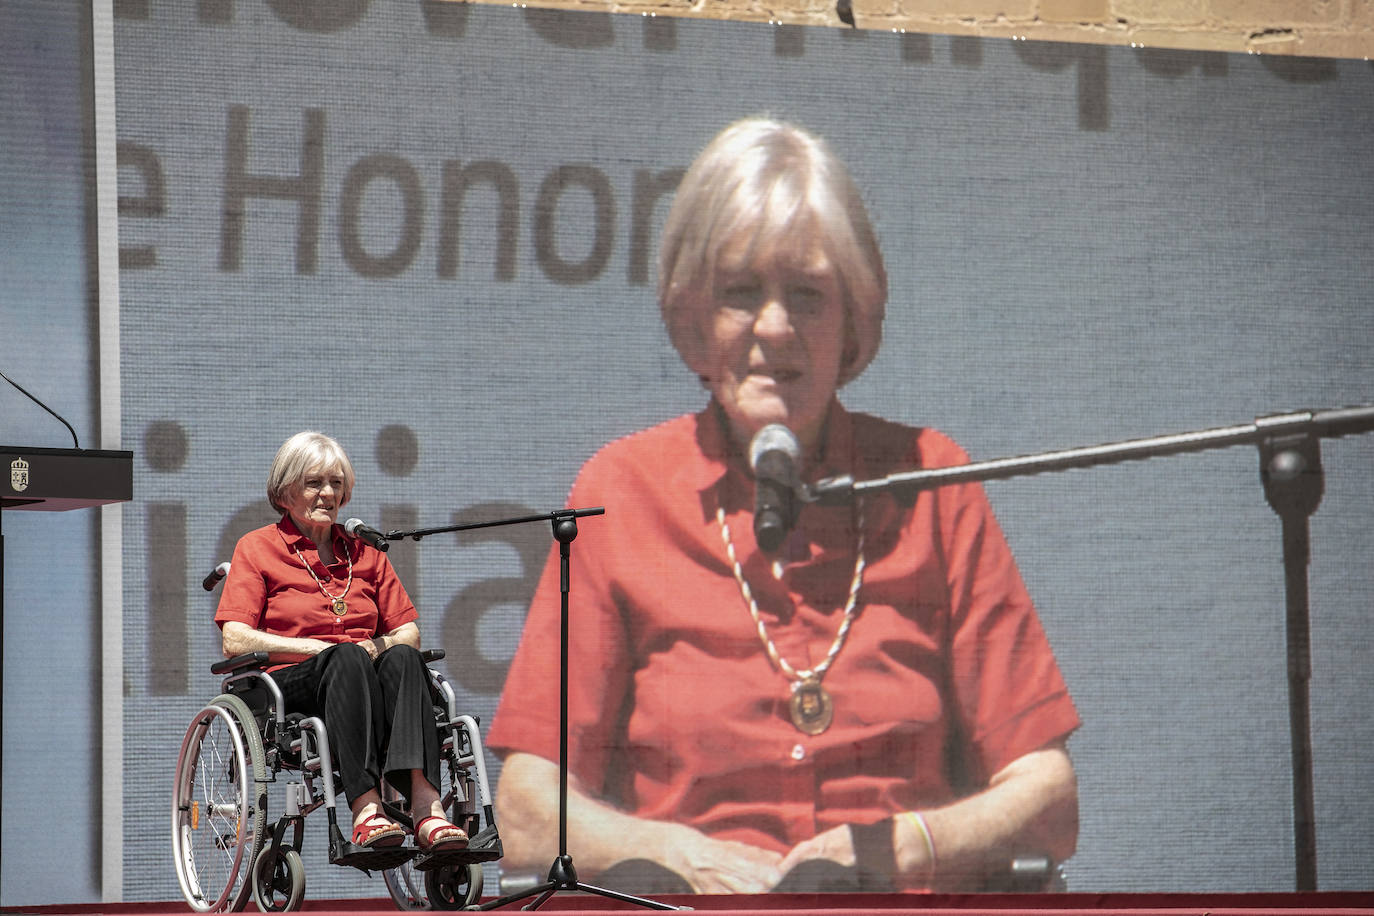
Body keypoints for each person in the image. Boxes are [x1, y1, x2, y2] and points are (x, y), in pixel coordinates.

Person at [486, 118, 1080, 894]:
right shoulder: (620, 491)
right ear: (693, 320)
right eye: (740, 293)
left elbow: (1050, 799)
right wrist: (685, 860)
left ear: (853, 320)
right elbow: (526, 811)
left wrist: (905, 845)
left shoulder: (932, 480)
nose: (775, 327)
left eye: (807, 294)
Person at [214, 431, 468, 853]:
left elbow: (408, 631)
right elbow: (235, 639)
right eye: (314, 483)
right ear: (285, 491)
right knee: (346, 656)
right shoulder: (258, 548)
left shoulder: (365, 553)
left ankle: (426, 806)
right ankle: (367, 809)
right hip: (292, 685)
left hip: (362, 675)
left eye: (336, 483)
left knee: (404, 656)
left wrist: (376, 648)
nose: (328, 493)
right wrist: (321, 651)